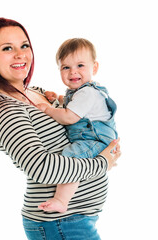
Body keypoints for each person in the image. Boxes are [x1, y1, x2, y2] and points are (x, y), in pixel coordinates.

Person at [0, 18, 121, 240]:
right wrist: (103, 163)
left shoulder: (36, 92)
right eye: (7, 48)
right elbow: (42, 168)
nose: (20, 54)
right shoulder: (4, 109)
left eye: (24, 45)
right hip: (59, 224)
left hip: (75, 219)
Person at [36, 38, 118, 214]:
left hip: (95, 139)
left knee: (70, 158)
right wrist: (57, 99)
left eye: (80, 65)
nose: (73, 72)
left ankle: (61, 200)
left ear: (94, 67)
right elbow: (72, 105)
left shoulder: (87, 92)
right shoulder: (81, 92)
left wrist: (48, 110)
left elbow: (70, 116)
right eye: (66, 67)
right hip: (94, 138)